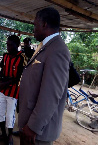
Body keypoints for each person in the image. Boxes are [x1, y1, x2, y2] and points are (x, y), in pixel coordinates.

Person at [18, 7, 71, 145]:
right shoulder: (45, 46)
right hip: (30, 123)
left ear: (44, 24)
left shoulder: (58, 50)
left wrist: (33, 127)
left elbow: (51, 94)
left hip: (38, 132)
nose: (33, 29)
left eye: (35, 24)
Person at [0, 35, 26, 145]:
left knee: (10, 116)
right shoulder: (5, 56)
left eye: (11, 45)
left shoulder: (22, 58)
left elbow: (19, 77)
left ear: (18, 45)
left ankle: (10, 135)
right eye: (7, 44)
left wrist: (4, 83)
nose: (8, 47)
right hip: (2, 90)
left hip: (13, 92)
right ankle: (3, 134)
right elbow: (2, 70)